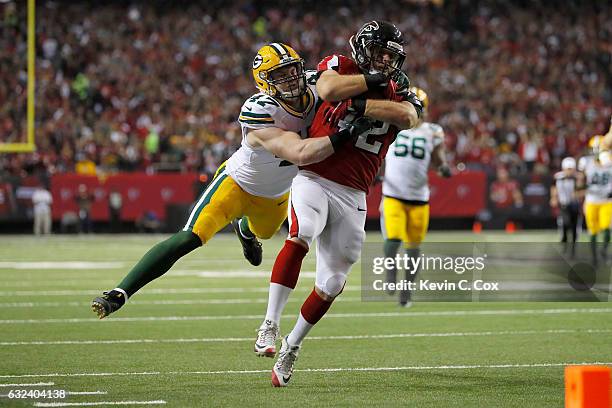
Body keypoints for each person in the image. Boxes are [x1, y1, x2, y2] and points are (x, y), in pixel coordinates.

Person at [91, 43, 370, 319]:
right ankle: (119, 292)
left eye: (292, 70)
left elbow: (350, 82)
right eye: (279, 75)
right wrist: (345, 135)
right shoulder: (260, 109)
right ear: (264, 82)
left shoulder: (316, 85)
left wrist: (388, 84)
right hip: (238, 183)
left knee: (264, 233)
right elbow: (299, 151)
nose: (290, 79)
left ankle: (244, 230)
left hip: (277, 194)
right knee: (191, 237)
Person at [253, 21, 422, 387]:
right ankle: (269, 322)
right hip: (314, 175)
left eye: (391, 56)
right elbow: (328, 89)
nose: (385, 60)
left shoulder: (400, 89)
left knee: (332, 282)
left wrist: (360, 104)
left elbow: (408, 116)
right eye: (380, 52)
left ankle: (292, 346)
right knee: (301, 234)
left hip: (355, 192)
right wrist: (375, 89)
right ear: (363, 47)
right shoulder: (341, 66)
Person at [380, 87, 451, 307]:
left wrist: (444, 168)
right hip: (393, 193)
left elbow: (439, 159)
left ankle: (407, 290)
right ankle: (390, 269)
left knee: (413, 249)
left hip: (419, 197)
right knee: (393, 239)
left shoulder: (432, 131)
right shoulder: (392, 126)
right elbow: (379, 151)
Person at [577, 136, 612, 266]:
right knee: (593, 231)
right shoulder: (586, 162)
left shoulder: (609, 161)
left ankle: (603, 251)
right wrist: (581, 188)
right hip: (592, 200)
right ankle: (594, 257)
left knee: (607, 228)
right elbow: (580, 179)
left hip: (606, 200)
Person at [550, 157, 580, 257]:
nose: (569, 171)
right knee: (565, 224)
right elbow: (554, 187)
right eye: (568, 168)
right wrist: (554, 197)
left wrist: (577, 193)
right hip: (564, 204)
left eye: (571, 168)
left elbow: (581, 190)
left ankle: (573, 248)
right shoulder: (557, 177)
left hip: (575, 204)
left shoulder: (577, 177)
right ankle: (565, 244)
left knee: (575, 227)